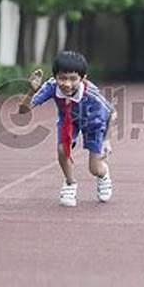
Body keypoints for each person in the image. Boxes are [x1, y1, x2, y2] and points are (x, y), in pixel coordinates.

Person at [19, 50, 115, 207]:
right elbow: (23, 111)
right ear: (55, 77)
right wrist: (31, 91)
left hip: (93, 122)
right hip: (69, 120)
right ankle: (70, 183)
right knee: (62, 149)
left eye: (73, 79)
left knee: (94, 168)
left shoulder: (91, 94)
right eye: (62, 78)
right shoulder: (51, 87)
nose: (67, 84)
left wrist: (107, 141)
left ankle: (103, 175)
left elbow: (112, 113)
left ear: (83, 78)